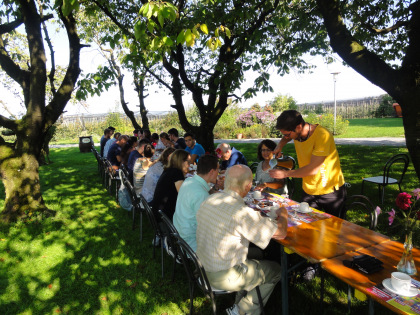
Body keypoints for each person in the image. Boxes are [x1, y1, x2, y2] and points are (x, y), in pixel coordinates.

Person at [196, 165, 288, 315]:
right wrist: (283, 214)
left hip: (201, 266)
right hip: (222, 275)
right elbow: (281, 233)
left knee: (258, 254)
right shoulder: (241, 212)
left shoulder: (210, 199)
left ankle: (243, 296)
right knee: (276, 270)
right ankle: (241, 310)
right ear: (248, 186)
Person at [270, 109, 346, 217]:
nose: (286, 137)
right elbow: (286, 137)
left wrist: (285, 174)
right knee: (307, 226)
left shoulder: (322, 135)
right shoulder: (297, 134)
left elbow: (313, 169)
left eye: (287, 134)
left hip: (330, 190)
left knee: (335, 229)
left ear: (299, 127)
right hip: (309, 190)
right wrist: (280, 145)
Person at [173, 154, 220, 251]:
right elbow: (206, 227)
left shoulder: (189, 180)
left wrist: (214, 188)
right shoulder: (201, 195)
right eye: (217, 171)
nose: (218, 174)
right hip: (190, 241)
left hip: (179, 229)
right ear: (211, 171)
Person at [152, 149, 190, 221]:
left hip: (159, 213)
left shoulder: (169, 170)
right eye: (188, 162)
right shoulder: (176, 173)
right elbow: (184, 197)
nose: (189, 165)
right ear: (181, 161)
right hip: (165, 219)